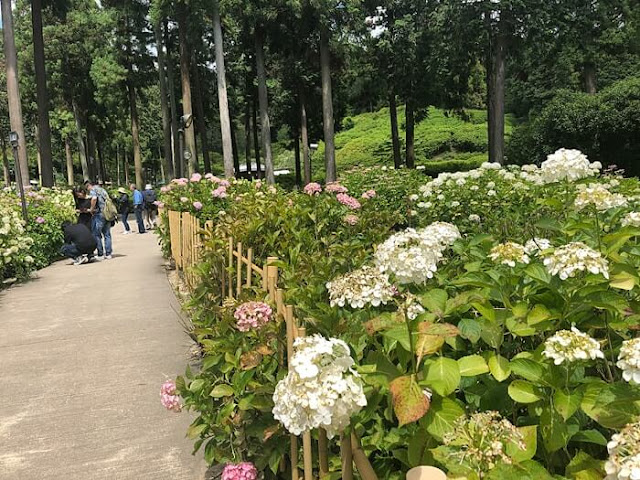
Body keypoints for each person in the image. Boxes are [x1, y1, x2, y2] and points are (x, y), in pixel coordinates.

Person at [86, 179, 113, 260]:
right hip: (107, 213)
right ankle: (108, 254)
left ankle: (100, 254)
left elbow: (94, 198)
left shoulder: (93, 190)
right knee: (107, 234)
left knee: (96, 234)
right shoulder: (102, 190)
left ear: (89, 185)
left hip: (99, 214)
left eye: (87, 188)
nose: (87, 190)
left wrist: (91, 209)